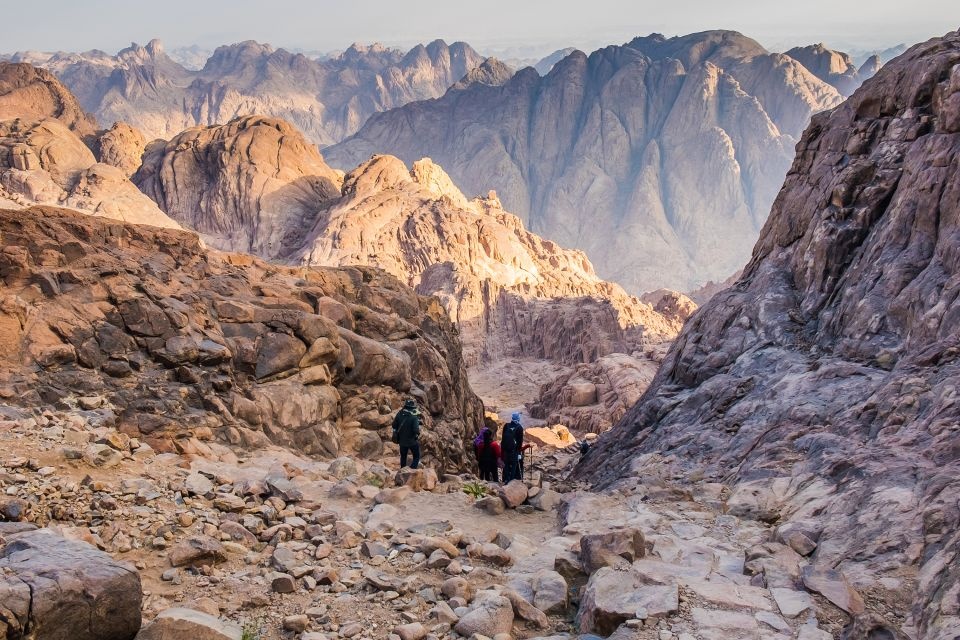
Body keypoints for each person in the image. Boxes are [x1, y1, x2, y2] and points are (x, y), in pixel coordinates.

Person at [392, 398, 421, 469]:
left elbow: (394, 425)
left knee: (403, 456)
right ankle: (412, 469)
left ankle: (402, 470)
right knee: (416, 456)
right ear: (412, 407)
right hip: (412, 441)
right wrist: (418, 434)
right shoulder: (414, 417)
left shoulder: (399, 413)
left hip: (402, 441)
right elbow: (415, 430)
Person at [500, 412, 524, 483]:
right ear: (518, 419)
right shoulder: (519, 428)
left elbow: (503, 438)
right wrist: (519, 452)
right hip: (514, 451)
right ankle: (511, 481)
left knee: (506, 465)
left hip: (506, 450)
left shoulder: (506, 426)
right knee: (514, 465)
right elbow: (520, 442)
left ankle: (506, 479)